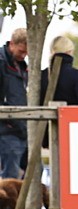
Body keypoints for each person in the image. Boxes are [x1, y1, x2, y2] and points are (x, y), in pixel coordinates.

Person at [0, 27, 28, 180]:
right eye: (21, 51)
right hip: (7, 130)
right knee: (9, 177)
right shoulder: (2, 63)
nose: (24, 55)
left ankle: (24, 204)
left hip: (21, 128)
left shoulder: (22, 66)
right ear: (12, 44)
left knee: (35, 170)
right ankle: (7, 205)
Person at [39, 35, 78, 107]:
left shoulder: (42, 75)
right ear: (69, 52)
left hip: (44, 117)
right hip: (72, 117)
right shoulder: (75, 75)